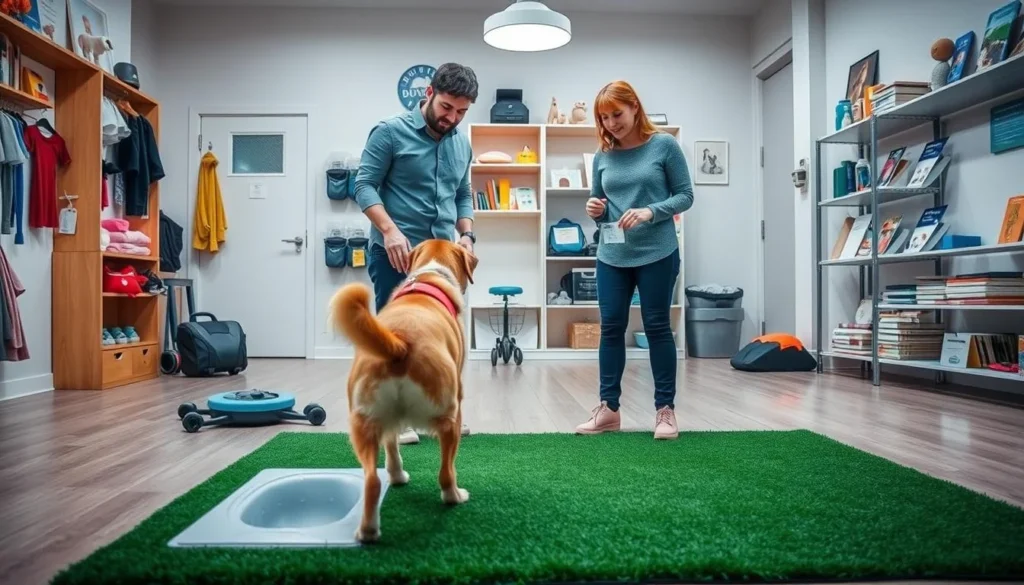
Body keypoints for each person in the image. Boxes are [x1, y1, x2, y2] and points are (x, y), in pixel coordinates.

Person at [353, 62, 479, 445]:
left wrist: (468, 235)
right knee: (397, 337)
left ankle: (443, 409)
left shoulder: (461, 142)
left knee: (445, 336)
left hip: (443, 261)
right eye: (446, 107)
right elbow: (363, 186)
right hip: (397, 254)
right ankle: (398, 416)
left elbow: (462, 194)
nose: (452, 118)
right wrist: (389, 230)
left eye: (461, 112)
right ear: (428, 94)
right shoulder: (390, 132)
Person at [574, 80, 694, 441]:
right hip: (612, 255)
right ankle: (608, 410)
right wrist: (594, 209)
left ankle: (665, 411)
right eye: (604, 117)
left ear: (635, 108)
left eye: (617, 114)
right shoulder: (602, 155)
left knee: (657, 326)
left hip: (657, 251)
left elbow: (685, 196)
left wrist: (650, 212)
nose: (611, 123)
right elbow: (601, 205)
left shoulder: (664, 145)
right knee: (611, 328)